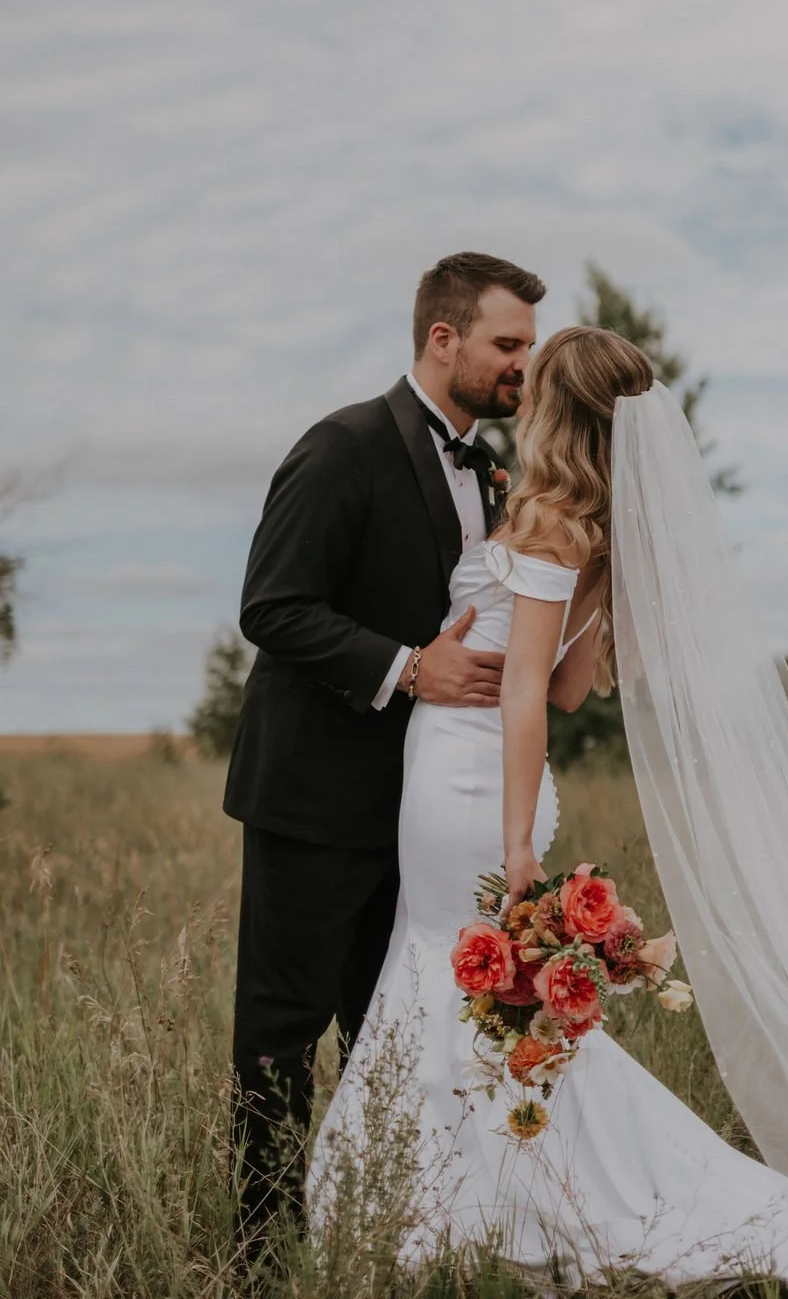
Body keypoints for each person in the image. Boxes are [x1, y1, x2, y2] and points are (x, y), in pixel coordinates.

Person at [308, 326, 788, 1298]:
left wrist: (516, 842)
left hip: (472, 784)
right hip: (479, 775)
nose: (519, 389)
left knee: (448, 968)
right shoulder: (587, 533)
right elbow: (569, 688)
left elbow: (526, 694)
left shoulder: (548, 525)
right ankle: (484, 1185)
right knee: (462, 982)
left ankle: (475, 1196)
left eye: (534, 380)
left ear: (557, 409)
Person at [223, 251, 545, 1248]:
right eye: (506, 344)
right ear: (442, 338)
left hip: (421, 808)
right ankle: (263, 1253)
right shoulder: (343, 446)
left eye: (529, 347)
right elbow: (271, 607)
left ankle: (381, 1237)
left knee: (392, 1033)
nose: (523, 365)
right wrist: (409, 668)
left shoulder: (492, 468)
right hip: (313, 798)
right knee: (281, 1037)